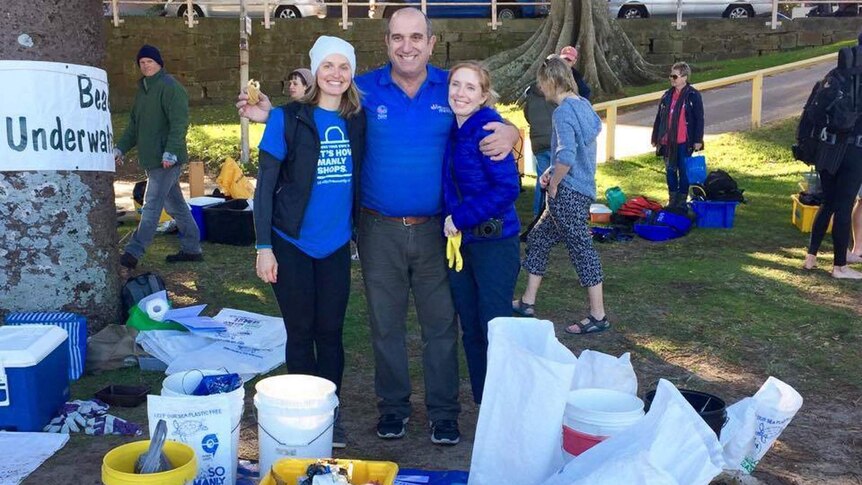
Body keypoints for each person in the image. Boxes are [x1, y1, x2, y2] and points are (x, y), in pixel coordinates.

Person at [237, 7, 519, 446]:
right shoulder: (363, 89)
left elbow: (489, 114)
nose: (407, 46)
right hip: (377, 228)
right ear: (386, 42)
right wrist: (274, 114)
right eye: (397, 37)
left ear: (430, 42)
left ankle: (444, 412)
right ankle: (393, 407)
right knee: (384, 324)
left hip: (437, 230)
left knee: (440, 325)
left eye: (416, 37)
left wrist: (513, 132)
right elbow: (315, 112)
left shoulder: (452, 87)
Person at [253, 36, 364, 449]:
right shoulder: (287, 118)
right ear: (314, 71)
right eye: (328, 66)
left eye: (344, 67)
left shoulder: (357, 119)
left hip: (335, 246)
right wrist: (263, 246)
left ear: (351, 74)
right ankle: (304, 414)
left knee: (331, 332)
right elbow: (264, 188)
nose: (336, 74)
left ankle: (329, 415)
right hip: (290, 243)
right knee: (300, 331)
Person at [512, 56, 609, 335]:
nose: (541, 89)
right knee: (539, 238)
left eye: (542, 83)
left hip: (568, 192)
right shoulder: (583, 106)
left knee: (582, 249)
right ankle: (527, 302)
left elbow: (566, 155)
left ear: (552, 81)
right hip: (578, 189)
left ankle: (598, 315)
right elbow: (573, 153)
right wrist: (552, 172)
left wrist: (553, 183)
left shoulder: (563, 112)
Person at [443, 61, 521, 404]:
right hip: (464, 245)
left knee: (495, 327)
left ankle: (504, 402)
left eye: (470, 87)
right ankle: (484, 400)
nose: (461, 93)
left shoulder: (488, 129)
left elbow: (507, 188)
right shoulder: (453, 129)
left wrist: (459, 217)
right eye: (456, 85)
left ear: (483, 96)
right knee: (471, 328)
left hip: (494, 244)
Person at [116, 44, 202, 270]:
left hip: (166, 160)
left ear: (159, 63)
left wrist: (171, 151)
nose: (145, 66)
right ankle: (193, 248)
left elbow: (179, 123)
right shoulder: (143, 90)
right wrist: (120, 149)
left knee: (151, 205)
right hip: (152, 160)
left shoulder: (170, 88)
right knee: (176, 207)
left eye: (149, 62)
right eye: (142, 63)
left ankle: (133, 253)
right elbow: (134, 126)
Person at [803, 41, 862, 278]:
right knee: (844, 205)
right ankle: (840, 266)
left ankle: (811, 257)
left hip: (826, 148)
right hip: (853, 150)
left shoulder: (834, 74)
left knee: (827, 202)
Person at [650, 61, 704, 209]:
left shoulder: (693, 95)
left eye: (675, 76)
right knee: (670, 171)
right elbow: (660, 117)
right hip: (668, 141)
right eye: (671, 76)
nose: (672, 79)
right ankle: (672, 198)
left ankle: (681, 200)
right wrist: (656, 136)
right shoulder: (667, 95)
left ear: (684, 77)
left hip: (684, 141)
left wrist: (698, 140)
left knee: (684, 171)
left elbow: (699, 118)